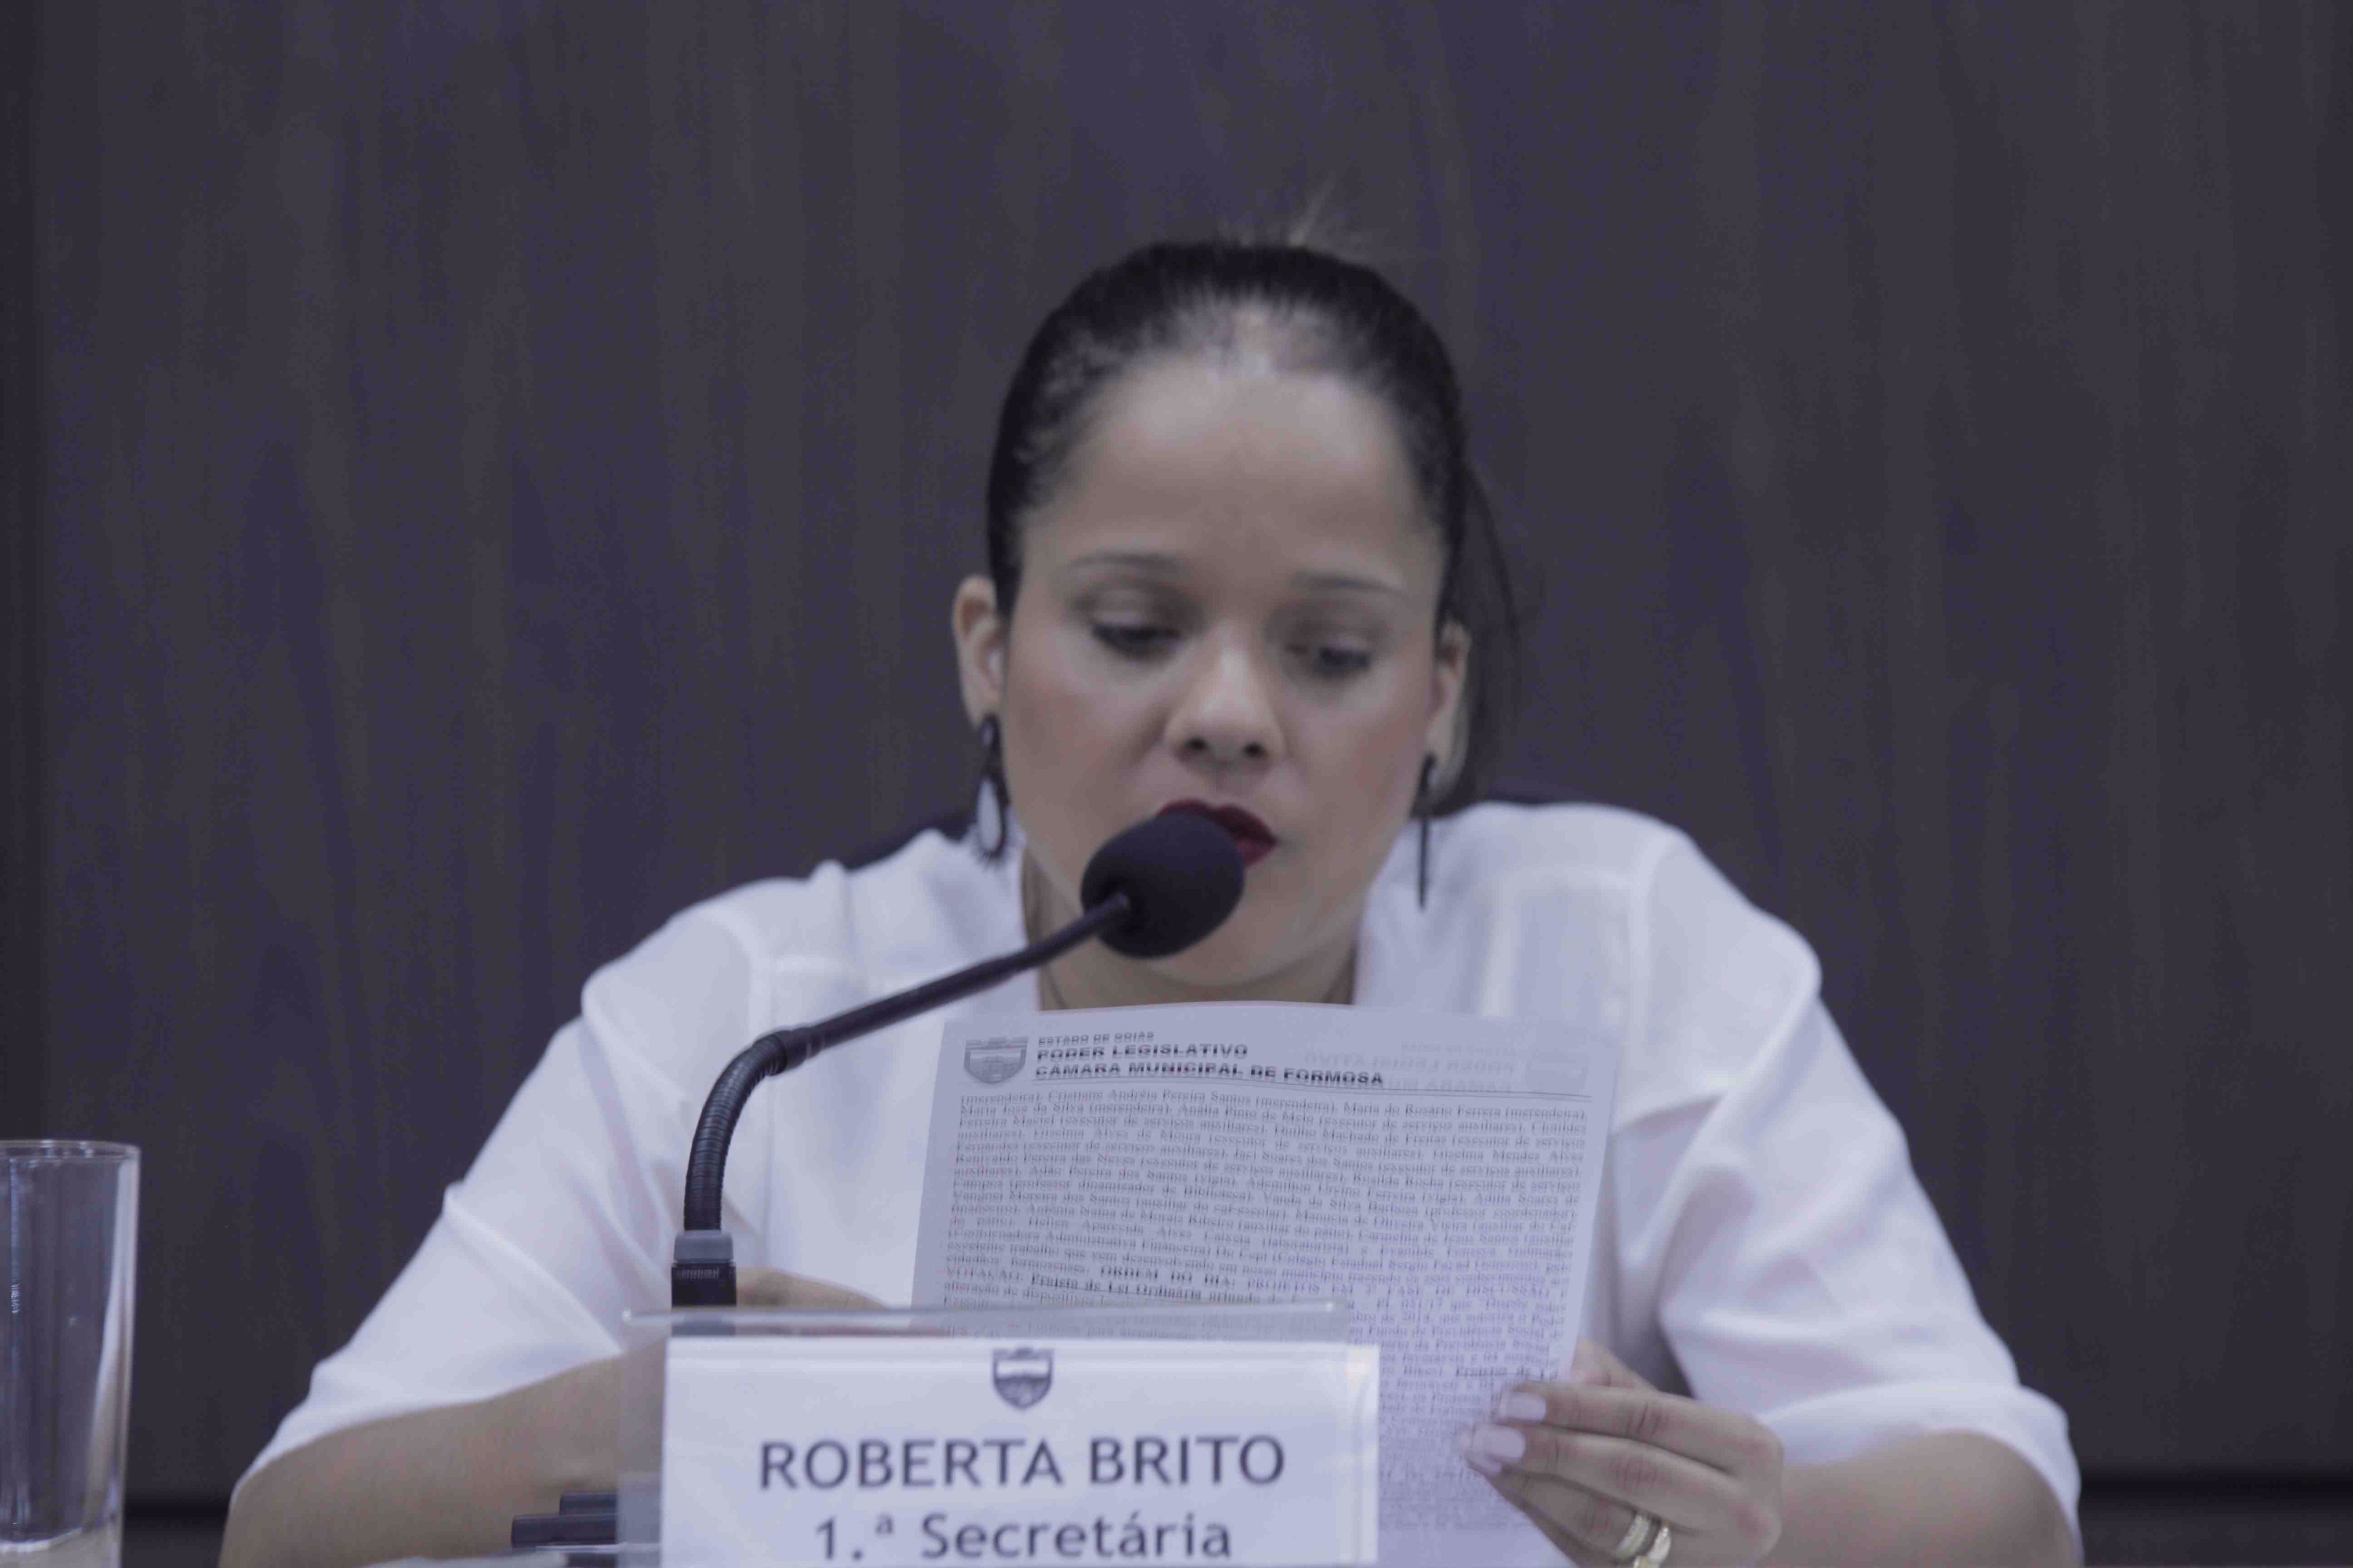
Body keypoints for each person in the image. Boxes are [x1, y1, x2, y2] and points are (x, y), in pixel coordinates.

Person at [223, 239, 2080, 1568]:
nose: (1228, 717)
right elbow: (290, 1527)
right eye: (1132, 628)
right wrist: (639, 1431)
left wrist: (1740, 1531)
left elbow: (2003, 1506)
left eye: (1331, 653)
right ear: (988, 649)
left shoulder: (1617, 944)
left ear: (1440, 694)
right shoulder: (760, 1010)